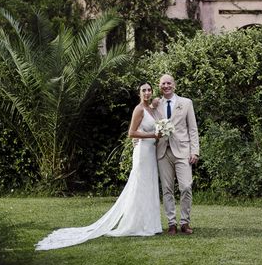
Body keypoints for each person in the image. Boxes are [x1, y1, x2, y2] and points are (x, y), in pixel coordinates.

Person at [35, 83, 162, 250]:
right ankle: (135, 224)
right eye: (143, 90)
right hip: (142, 153)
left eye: (149, 90)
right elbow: (131, 133)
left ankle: (151, 224)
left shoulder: (152, 109)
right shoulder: (139, 109)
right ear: (139, 93)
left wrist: (159, 134)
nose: (147, 92)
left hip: (151, 153)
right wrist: (153, 135)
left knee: (149, 186)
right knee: (139, 186)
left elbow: (156, 123)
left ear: (152, 92)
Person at [155, 74, 200, 235]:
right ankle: (172, 223)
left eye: (169, 83)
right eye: (163, 83)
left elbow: (193, 129)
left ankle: (185, 222)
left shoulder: (186, 103)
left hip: (182, 151)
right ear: (159, 86)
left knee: (186, 186)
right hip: (162, 151)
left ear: (174, 85)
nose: (166, 86)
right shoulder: (156, 104)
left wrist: (195, 151)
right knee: (167, 189)